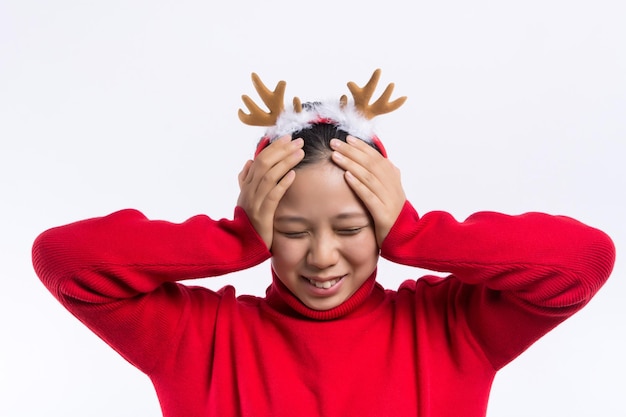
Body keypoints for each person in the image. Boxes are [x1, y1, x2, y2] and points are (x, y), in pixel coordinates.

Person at [32, 69, 615, 417]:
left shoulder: (452, 327)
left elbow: (582, 262)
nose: (321, 256)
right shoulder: (197, 339)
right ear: (262, 226)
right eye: (290, 231)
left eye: (351, 227)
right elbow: (64, 260)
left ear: (383, 219)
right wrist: (231, 242)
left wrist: (418, 234)